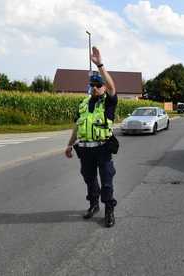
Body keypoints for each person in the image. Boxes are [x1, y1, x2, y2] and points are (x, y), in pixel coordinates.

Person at [65, 46, 118, 228]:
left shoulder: (109, 102)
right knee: (89, 180)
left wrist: (100, 65)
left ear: (103, 87)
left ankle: (109, 210)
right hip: (85, 150)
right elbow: (76, 127)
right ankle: (94, 205)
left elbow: (112, 87)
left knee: (106, 181)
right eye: (92, 85)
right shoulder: (83, 104)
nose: (95, 88)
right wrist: (69, 145)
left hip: (103, 149)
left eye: (98, 85)